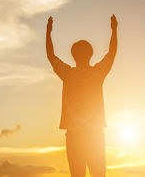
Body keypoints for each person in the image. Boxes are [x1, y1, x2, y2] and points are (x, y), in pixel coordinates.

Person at [46, 15, 118, 177]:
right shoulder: (97, 73)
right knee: (98, 174)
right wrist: (114, 30)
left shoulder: (68, 74)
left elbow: (51, 56)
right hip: (95, 134)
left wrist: (48, 33)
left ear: (73, 55)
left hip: (74, 136)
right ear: (91, 54)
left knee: (77, 174)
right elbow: (111, 53)